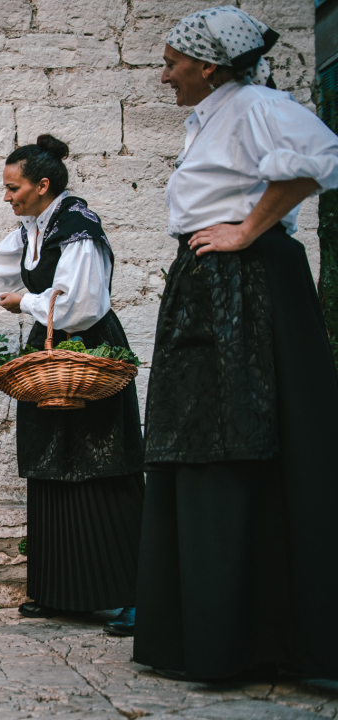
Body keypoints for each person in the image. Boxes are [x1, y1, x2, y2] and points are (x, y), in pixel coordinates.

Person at [134, 6, 338, 681]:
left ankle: (259, 636)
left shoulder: (253, 102)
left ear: (209, 65)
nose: (164, 76)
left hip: (244, 288)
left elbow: (319, 158)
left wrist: (248, 232)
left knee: (238, 434)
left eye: (171, 62)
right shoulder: (213, 114)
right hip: (210, 281)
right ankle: (209, 630)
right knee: (198, 437)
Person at [0, 135, 144, 637]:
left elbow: (83, 304)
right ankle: (68, 591)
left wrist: (24, 304)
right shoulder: (33, 230)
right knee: (51, 463)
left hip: (87, 354)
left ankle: (137, 595)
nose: (7, 197)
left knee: (105, 464)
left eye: (12, 188)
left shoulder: (78, 229)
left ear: (43, 186)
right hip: (48, 355)